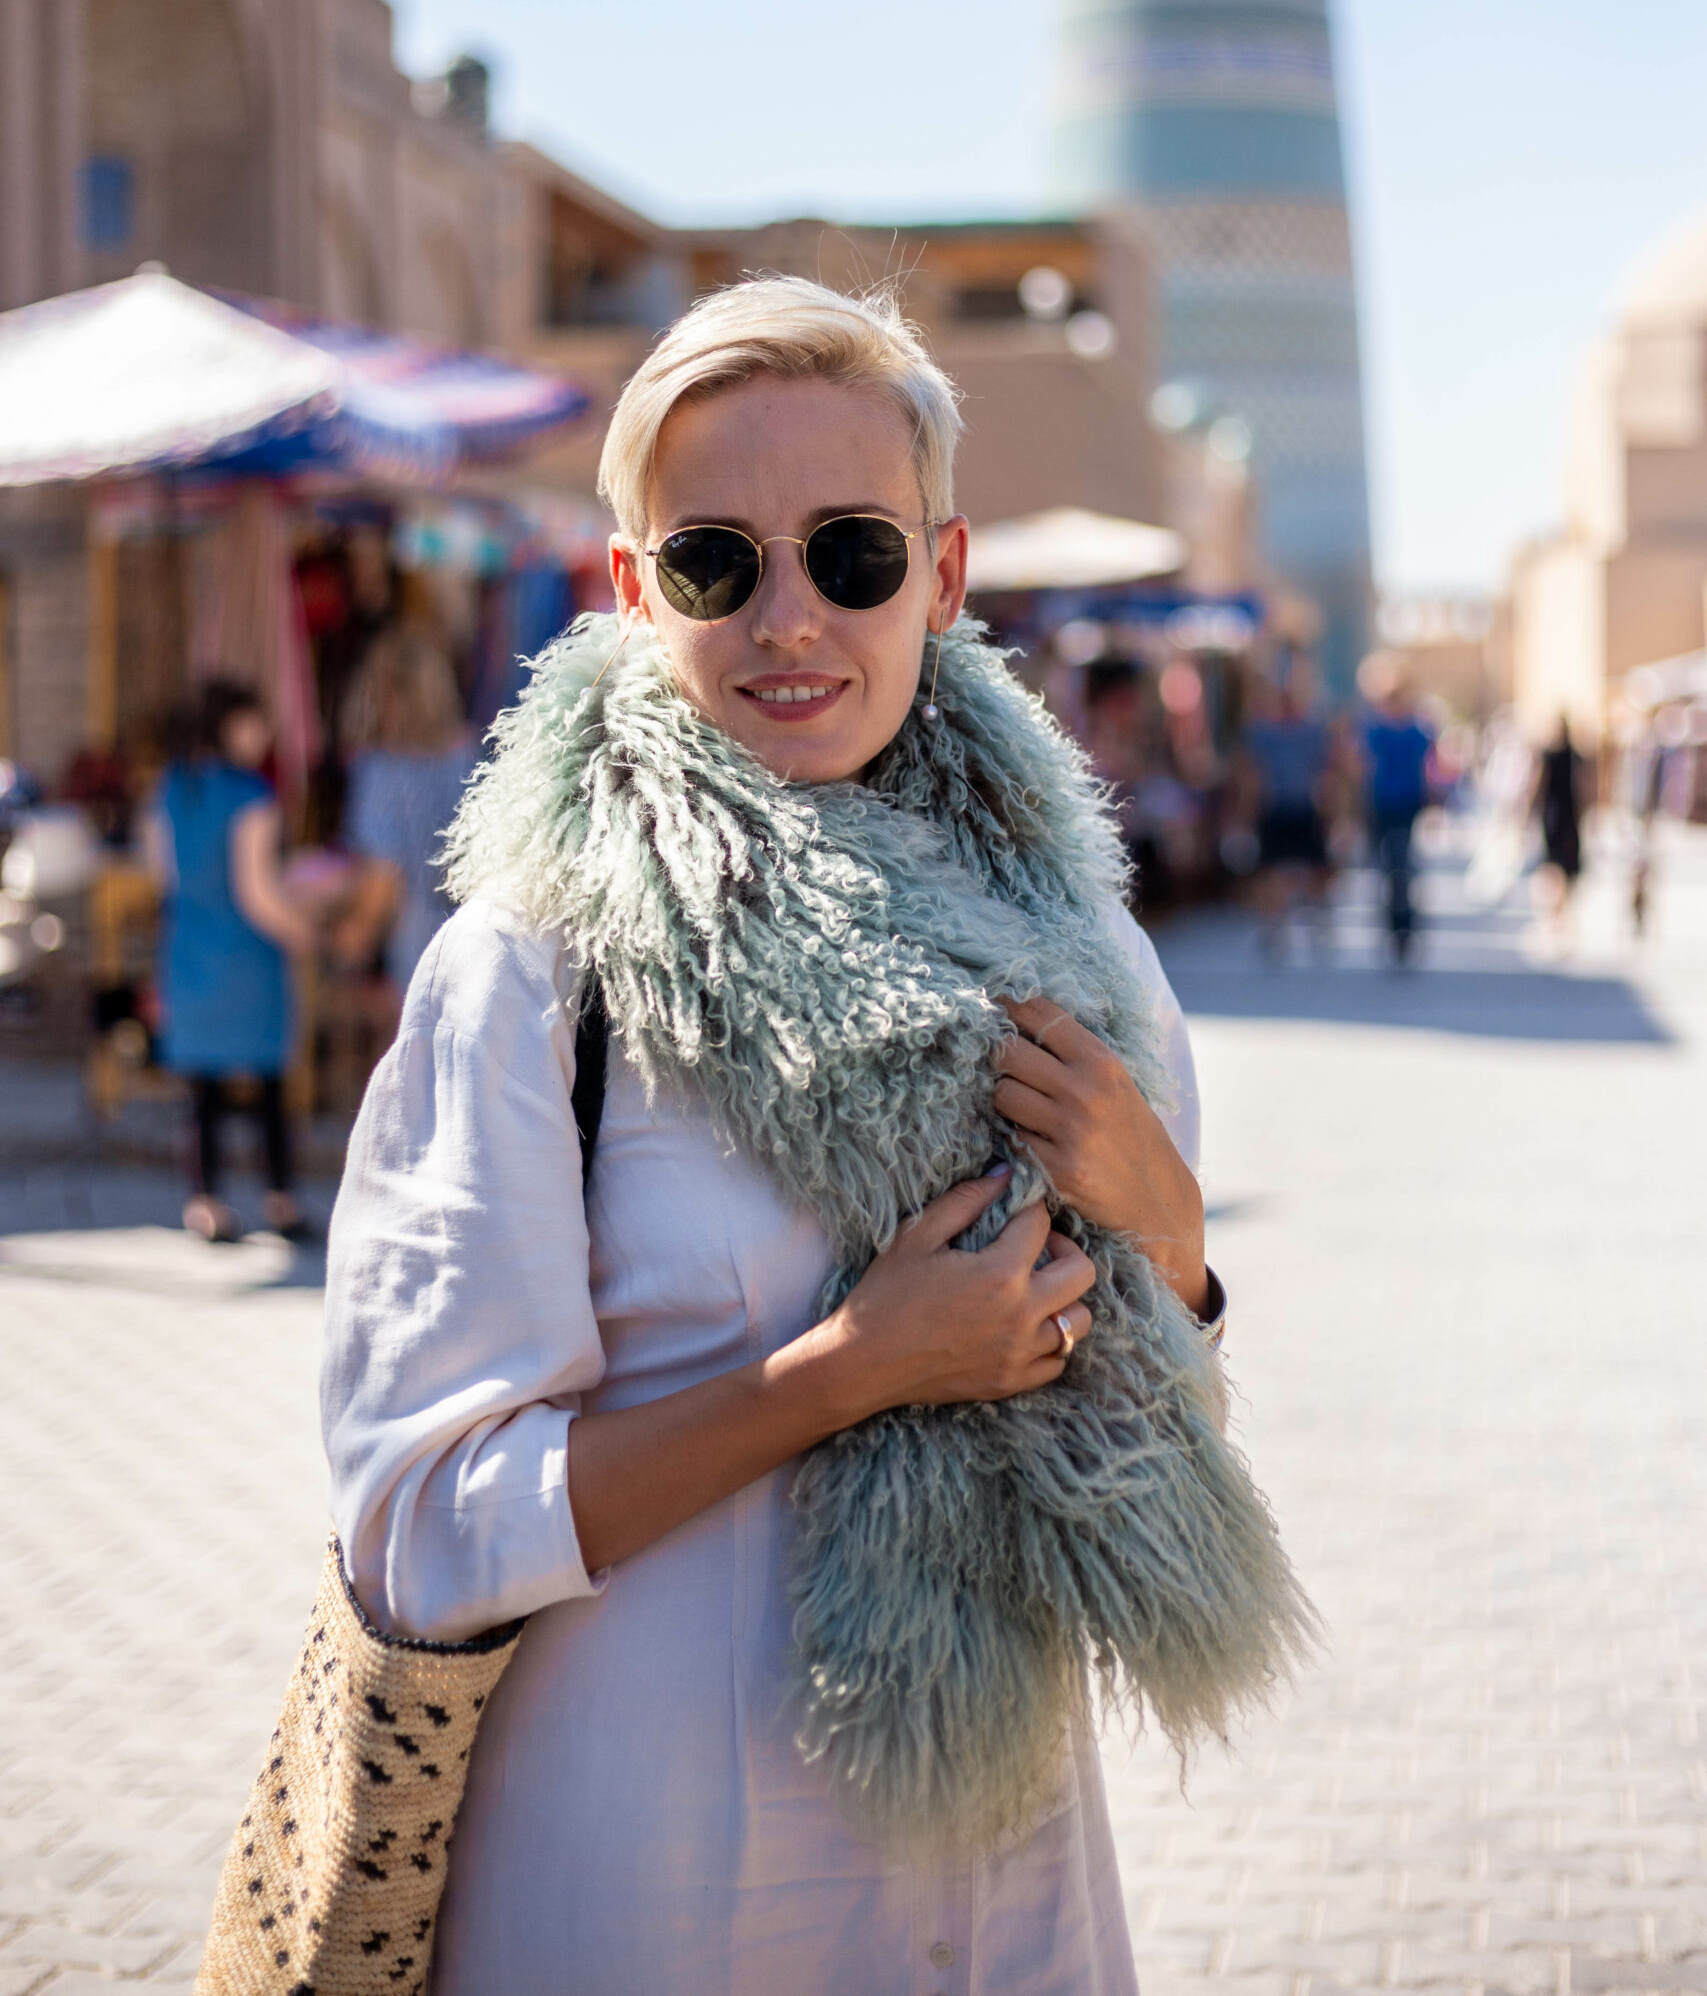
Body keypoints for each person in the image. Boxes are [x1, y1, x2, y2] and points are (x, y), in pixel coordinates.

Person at [321, 279, 1305, 1996]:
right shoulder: (536, 975)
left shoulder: (1078, 950)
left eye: (850, 554)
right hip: (655, 1896)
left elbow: (1151, 1419)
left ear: (942, 574)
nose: (789, 620)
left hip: (999, 1903)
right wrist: (846, 1372)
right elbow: (420, 1527)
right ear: (633, 590)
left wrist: (1170, 1235)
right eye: (716, 562)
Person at [144, 678, 314, 1242]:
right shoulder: (251, 796)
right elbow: (257, 894)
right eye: (256, 721)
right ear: (230, 726)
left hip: (188, 951)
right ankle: (281, 1201)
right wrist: (308, 934)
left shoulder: (170, 788)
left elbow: (160, 875)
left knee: (203, 1091)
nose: (265, 732)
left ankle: (206, 1204)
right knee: (269, 1086)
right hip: (247, 959)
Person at [333, 626, 475, 991]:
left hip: (415, 958)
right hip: (476, 950)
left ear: (387, 696)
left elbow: (384, 876)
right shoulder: (471, 755)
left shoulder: (380, 770)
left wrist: (349, 941)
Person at [1240, 665, 1335, 955]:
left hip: (1306, 806)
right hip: (1274, 808)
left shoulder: (1315, 732)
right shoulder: (1260, 733)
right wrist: (1244, 813)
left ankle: (1319, 921)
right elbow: (1251, 774)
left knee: (1318, 869)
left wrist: (1335, 812)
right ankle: (1274, 925)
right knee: (1270, 870)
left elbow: (1329, 772)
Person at [1359, 668, 1434, 963]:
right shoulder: (1374, 729)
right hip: (1380, 805)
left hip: (1407, 804)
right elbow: (1362, 767)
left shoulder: (1416, 730)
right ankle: (1392, 923)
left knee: (1402, 866)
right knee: (1386, 867)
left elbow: (1427, 768)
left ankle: (1404, 925)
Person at [1533, 713, 1588, 941]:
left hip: (1564, 816)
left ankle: (1560, 911)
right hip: (1559, 815)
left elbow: (1583, 786)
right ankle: (1557, 910)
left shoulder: (1571, 756)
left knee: (1562, 866)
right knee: (1557, 866)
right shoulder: (1558, 756)